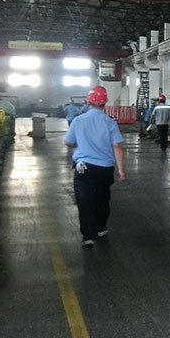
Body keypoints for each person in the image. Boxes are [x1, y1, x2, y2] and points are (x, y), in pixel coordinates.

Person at [64, 85, 126, 246]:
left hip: (83, 167)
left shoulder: (78, 121)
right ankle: (100, 227)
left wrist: (80, 142)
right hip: (105, 169)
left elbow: (68, 142)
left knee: (84, 201)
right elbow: (117, 146)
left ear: (88, 101)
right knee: (102, 199)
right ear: (105, 102)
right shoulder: (110, 122)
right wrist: (121, 169)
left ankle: (88, 235)